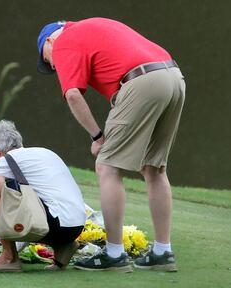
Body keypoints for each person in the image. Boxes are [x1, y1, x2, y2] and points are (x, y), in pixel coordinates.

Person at [36, 18, 185, 272]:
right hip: (173, 77)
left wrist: (97, 137)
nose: (52, 65)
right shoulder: (90, 27)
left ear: (49, 40)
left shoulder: (63, 42)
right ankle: (163, 251)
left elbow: (72, 94)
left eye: (47, 59)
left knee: (107, 167)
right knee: (154, 168)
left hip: (141, 82)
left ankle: (114, 254)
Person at [0, 120, 86, 272]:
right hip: (75, 227)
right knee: (3, 213)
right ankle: (63, 246)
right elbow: (32, 207)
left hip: (54, 223)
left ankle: (8, 258)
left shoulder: (6, 160)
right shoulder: (44, 153)